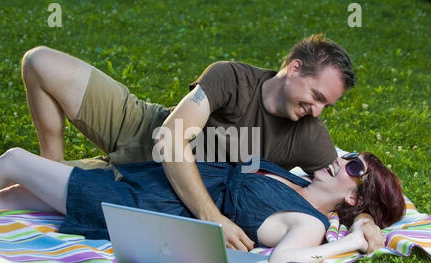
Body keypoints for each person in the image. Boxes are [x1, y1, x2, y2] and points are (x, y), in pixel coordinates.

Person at [20, 33, 383, 251]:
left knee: (25, 183)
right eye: (316, 96)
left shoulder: (309, 133)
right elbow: (171, 137)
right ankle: (53, 160)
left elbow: (347, 184)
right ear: (295, 69)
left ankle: (56, 172)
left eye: (326, 105)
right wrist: (211, 218)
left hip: (149, 185)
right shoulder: (231, 77)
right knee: (40, 61)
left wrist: (366, 219)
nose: (317, 111)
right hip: (139, 128)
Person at [0, 148, 405, 263]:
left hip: (139, 203)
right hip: (150, 179)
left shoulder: (309, 223)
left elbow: (283, 260)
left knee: (15, 162)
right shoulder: (296, 180)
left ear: (353, 195)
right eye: (347, 154)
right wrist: (366, 219)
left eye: (352, 167)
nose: (340, 159)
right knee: (15, 195)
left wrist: (351, 239)